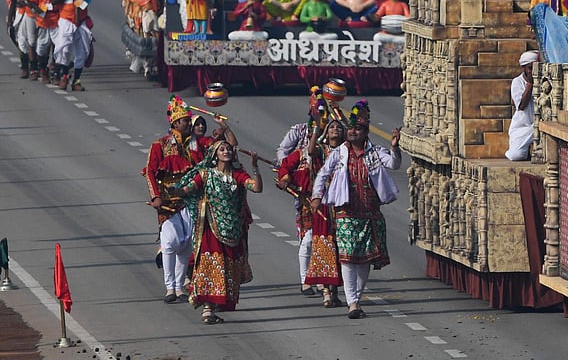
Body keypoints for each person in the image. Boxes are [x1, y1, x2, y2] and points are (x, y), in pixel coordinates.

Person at [311, 100, 403, 319]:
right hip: (346, 213)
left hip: (371, 213)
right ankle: (352, 303)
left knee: (365, 260)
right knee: (347, 258)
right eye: (350, 129)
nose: (352, 132)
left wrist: (395, 147)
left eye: (357, 129)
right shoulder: (340, 153)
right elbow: (323, 174)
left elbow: (394, 164)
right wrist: (316, 196)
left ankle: (356, 299)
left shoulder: (375, 151)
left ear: (365, 132)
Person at [144, 97, 236, 305]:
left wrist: (223, 128)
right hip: (168, 201)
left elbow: (225, 149)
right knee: (169, 243)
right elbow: (150, 170)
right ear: (175, 123)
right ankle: (169, 287)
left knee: (186, 245)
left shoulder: (199, 144)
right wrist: (155, 196)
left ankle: (178, 286)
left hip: (193, 200)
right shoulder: (160, 145)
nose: (189, 123)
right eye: (185, 121)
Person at [173, 138, 263, 324]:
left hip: (232, 229)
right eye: (222, 149)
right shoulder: (206, 174)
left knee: (227, 267)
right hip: (211, 227)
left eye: (228, 149)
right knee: (212, 264)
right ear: (215, 155)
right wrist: (174, 191)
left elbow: (256, 188)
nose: (226, 151)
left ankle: (215, 306)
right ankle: (207, 308)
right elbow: (189, 189)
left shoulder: (237, 176)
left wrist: (255, 168)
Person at [278, 117, 346, 305]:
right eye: (331, 127)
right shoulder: (317, 151)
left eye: (338, 127)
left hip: (343, 203)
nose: (335, 130)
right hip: (317, 203)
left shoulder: (347, 151)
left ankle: (334, 291)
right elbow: (304, 153)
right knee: (315, 243)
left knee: (340, 246)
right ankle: (316, 287)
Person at [48, 0, 102, 90]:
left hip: (81, 20)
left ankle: (76, 81)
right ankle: (64, 76)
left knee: (82, 52)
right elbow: (54, 1)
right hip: (66, 20)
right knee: (64, 50)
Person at [506, 51, 538, 161]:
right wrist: (530, 85)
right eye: (530, 68)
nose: (533, 72)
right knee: (516, 156)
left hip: (540, 125)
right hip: (522, 127)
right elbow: (522, 106)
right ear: (524, 68)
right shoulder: (517, 82)